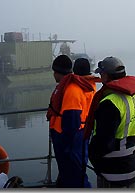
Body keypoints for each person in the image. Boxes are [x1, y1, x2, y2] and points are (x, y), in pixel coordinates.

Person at [84, 56, 135, 188]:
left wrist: (91, 154)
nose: (100, 76)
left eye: (101, 73)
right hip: (133, 163)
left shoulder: (110, 102)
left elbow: (103, 142)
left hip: (114, 169)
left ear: (106, 75)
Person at [46, 55, 94, 188]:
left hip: (70, 139)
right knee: (71, 173)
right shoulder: (87, 86)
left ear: (57, 72)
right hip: (78, 135)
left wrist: (67, 144)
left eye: (54, 72)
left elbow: (72, 120)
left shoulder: (72, 90)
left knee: (75, 175)